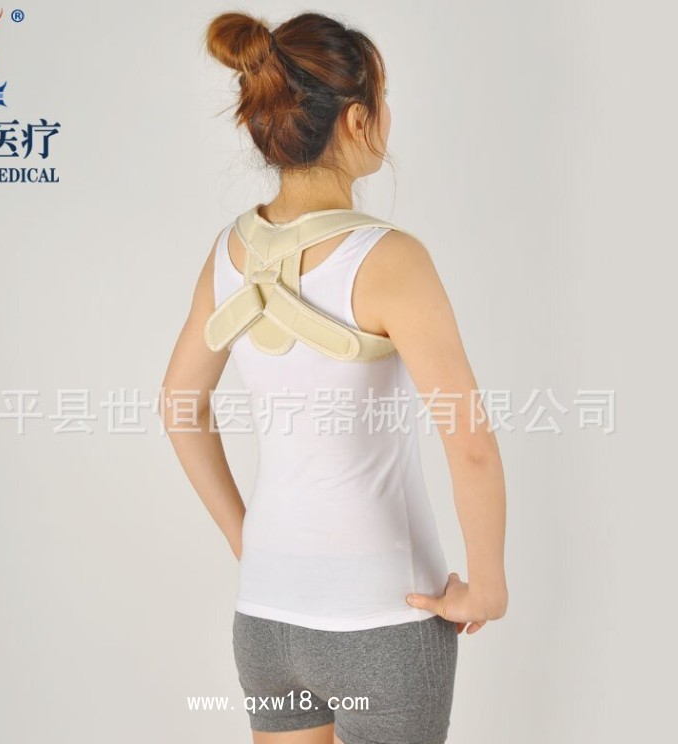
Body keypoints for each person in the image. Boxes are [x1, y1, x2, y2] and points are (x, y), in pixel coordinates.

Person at [160, 10, 508, 744]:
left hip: (267, 620)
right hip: (384, 618)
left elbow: (179, 407)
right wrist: (487, 585)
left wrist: (247, 541)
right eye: (384, 101)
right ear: (356, 119)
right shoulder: (389, 258)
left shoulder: (228, 253)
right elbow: (470, 443)